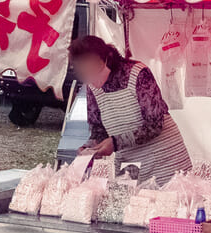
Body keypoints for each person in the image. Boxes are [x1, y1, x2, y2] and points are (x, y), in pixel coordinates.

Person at [70, 36, 191, 185]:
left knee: (168, 203)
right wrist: (91, 148)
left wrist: (115, 143)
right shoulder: (92, 87)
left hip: (165, 159)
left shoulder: (138, 73)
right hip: (129, 162)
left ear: (107, 57)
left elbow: (155, 124)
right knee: (129, 204)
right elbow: (98, 128)